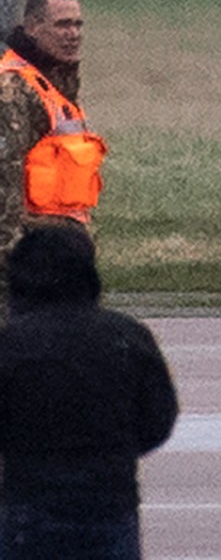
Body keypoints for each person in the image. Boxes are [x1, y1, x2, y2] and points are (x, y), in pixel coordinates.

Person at [0, 226, 179, 559]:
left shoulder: (11, 345)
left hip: (30, 504)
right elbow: (158, 418)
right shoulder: (127, 336)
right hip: (109, 503)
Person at [0, 0, 108, 325]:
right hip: (31, 258)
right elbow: (5, 185)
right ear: (32, 27)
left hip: (62, 254)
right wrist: (13, 267)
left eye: (78, 25)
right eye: (62, 25)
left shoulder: (55, 83)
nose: (73, 34)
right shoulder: (14, 89)